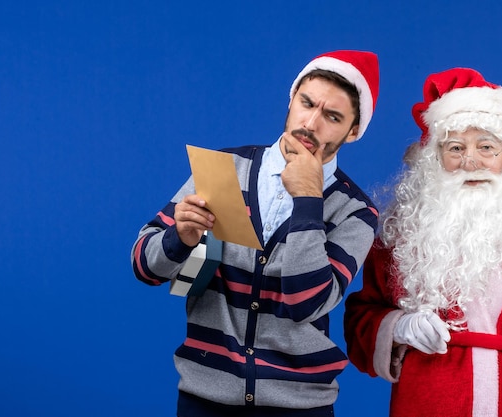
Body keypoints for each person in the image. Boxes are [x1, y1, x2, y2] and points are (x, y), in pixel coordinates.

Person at [131, 50, 380, 416]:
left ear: (353, 130)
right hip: (205, 398)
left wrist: (309, 199)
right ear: (291, 98)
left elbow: (306, 302)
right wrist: (178, 238)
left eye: (332, 116)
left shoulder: (356, 210)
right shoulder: (227, 168)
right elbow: (143, 266)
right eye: (306, 103)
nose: (311, 123)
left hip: (299, 406)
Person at [343, 68, 502, 417]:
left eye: (487, 148)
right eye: (455, 148)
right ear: (436, 159)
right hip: (431, 403)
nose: (470, 161)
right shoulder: (404, 230)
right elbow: (360, 319)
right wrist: (399, 327)